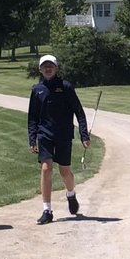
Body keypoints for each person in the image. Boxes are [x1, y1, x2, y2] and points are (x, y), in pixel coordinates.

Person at [27, 55, 90, 225]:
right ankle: (47, 210)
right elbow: (32, 117)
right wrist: (32, 138)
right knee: (46, 168)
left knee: (64, 171)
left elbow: (79, 112)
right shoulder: (37, 90)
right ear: (40, 69)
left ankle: (71, 194)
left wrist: (84, 135)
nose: (48, 68)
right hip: (44, 135)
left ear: (57, 68)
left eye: (51, 66)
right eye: (44, 66)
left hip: (63, 135)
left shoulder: (66, 87)